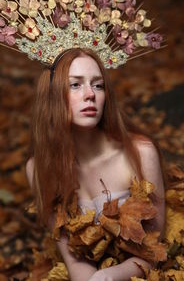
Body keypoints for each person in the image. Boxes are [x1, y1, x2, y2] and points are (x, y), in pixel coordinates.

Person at [26, 47, 165, 281]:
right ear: (52, 94)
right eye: (75, 85)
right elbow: (74, 262)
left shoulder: (140, 154)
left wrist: (109, 276)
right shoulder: (38, 169)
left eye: (98, 85)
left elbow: (157, 250)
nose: (90, 94)